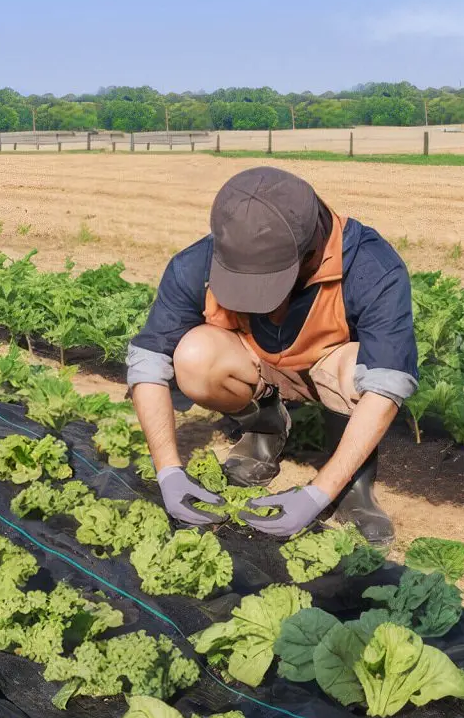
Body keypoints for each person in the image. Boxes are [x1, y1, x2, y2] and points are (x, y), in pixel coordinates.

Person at [126, 166, 417, 545]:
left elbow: (386, 384)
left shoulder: (371, 267)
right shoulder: (198, 261)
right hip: (254, 360)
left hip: (325, 368)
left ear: (309, 247)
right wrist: (168, 473)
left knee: (359, 372)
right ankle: (265, 428)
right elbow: (148, 362)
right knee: (194, 356)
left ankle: (352, 487)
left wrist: (318, 493)